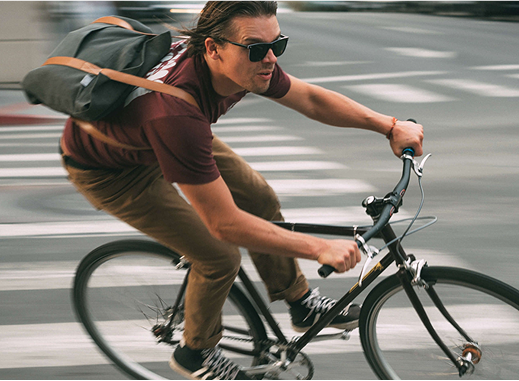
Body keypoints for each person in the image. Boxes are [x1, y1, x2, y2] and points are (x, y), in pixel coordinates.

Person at [59, 0, 424, 379]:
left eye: (276, 44)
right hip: (111, 171)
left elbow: (311, 99)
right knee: (218, 256)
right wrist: (320, 247)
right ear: (213, 48)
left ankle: (299, 302)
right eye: (255, 48)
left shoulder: (247, 68)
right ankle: (194, 353)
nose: (269, 58)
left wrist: (390, 126)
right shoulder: (175, 112)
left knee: (260, 198)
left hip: (158, 138)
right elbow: (225, 224)